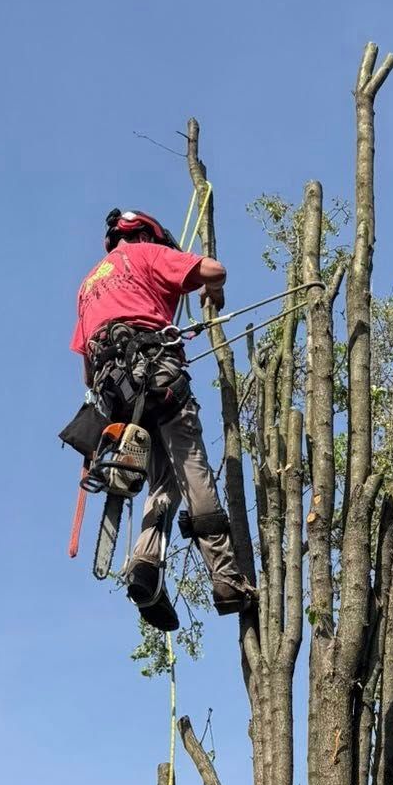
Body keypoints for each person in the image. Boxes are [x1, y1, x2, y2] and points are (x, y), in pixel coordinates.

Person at [72, 206, 256, 632]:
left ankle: (145, 562)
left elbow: (85, 367)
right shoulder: (145, 255)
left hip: (113, 391)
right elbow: (214, 269)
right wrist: (215, 292)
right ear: (145, 234)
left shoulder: (87, 285)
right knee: (193, 469)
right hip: (158, 375)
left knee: (164, 481)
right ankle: (227, 579)